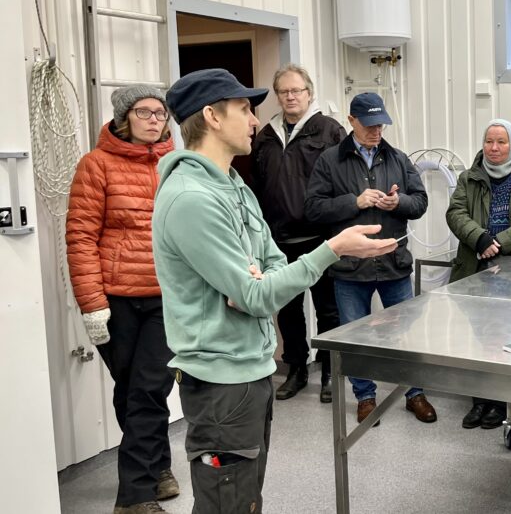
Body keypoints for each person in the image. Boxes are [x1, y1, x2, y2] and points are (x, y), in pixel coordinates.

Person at [152, 68, 396, 514]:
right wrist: (330, 250)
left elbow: (273, 261)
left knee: (245, 498)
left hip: (251, 370)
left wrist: (254, 282)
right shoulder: (192, 198)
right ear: (211, 116)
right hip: (220, 382)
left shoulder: (233, 185)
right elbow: (258, 295)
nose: (253, 120)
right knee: (227, 503)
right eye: (244, 109)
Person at [66, 86, 177, 514]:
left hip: (166, 297)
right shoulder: (96, 166)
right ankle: (158, 468)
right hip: (116, 299)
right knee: (130, 389)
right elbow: (80, 237)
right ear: (123, 118)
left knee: (151, 388)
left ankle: (134, 495)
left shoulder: (174, 164)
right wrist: (92, 303)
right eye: (143, 112)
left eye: (160, 112)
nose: (154, 119)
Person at [305, 92, 437, 426]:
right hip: (350, 269)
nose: (375, 131)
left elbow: (420, 202)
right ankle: (365, 398)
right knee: (355, 341)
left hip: (394, 265)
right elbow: (314, 209)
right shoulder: (329, 161)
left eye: (380, 124)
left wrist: (400, 203)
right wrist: (355, 201)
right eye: (368, 125)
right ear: (351, 121)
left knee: (408, 336)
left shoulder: (398, 158)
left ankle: (414, 393)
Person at [445, 119, 511, 429]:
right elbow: (455, 212)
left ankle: (502, 401)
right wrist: (479, 237)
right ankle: (480, 399)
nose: (493, 147)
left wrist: (499, 242)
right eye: (489, 141)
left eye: (501, 142)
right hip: (476, 267)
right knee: (479, 336)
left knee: (510, 335)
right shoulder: (469, 177)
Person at [250, 64, 346, 403]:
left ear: (310, 93)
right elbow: (255, 187)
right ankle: (296, 368)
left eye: (297, 91)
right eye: (284, 92)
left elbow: (344, 182)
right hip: (278, 241)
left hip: (320, 239)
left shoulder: (330, 131)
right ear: (277, 96)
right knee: (287, 311)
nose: (290, 96)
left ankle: (330, 371)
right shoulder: (263, 136)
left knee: (328, 310)